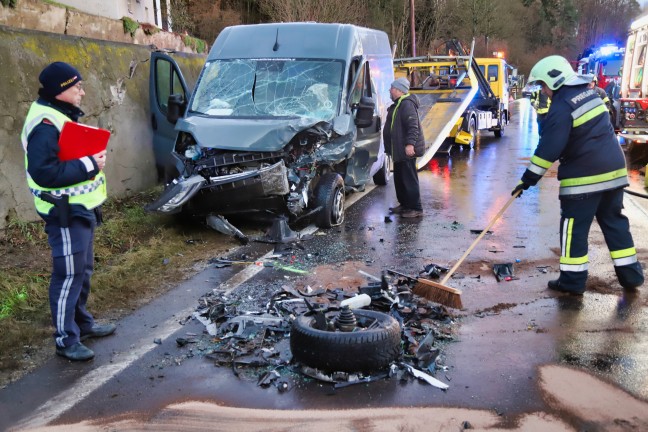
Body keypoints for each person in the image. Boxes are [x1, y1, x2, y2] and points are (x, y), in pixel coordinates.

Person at [512, 55, 644, 295]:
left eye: (543, 84)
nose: (543, 90)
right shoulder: (590, 94)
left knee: (573, 229)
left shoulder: (562, 106)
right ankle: (631, 276)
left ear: (554, 80)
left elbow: (549, 149)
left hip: (584, 179)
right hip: (614, 172)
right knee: (615, 223)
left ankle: (572, 283)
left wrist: (528, 179)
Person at [20, 62, 115, 361]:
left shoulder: (59, 115)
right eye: (77, 88)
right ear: (61, 91)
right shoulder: (45, 124)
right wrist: (90, 164)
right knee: (68, 274)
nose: (82, 93)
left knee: (82, 271)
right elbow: (43, 173)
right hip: (64, 213)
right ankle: (65, 339)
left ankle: (82, 324)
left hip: (79, 209)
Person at [384, 77, 425, 218]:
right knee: (400, 179)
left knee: (409, 179)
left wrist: (410, 144)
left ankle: (416, 208)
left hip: (406, 150)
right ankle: (405, 205)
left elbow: (413, 126)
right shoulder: (399, 104)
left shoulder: (407, 104)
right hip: (399, 150)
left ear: (399, 90)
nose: (390, 90)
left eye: (392, 88)